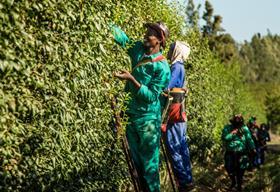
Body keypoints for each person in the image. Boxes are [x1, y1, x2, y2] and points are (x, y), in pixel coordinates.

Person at [112, 21, 171, 192]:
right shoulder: (137, 48)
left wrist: (132, 80)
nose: (145, 35)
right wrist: (105, 23)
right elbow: (123, 39)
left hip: (148, 122)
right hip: (131, 116)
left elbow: (152, 96)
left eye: (150, 33)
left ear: (159, 40)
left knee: (149, 168)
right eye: (146, 31)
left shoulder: (162, 67)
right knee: (137, 164)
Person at [163, 41, 194, 192]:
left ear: (177, 51)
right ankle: (188, 179)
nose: (169, 50)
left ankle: (183, 182)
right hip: (180, 112)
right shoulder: (181, 67)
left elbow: (166, 87)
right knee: (182, 146)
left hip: (175, 113)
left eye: (171, 48)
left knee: (174, 146)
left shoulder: (175, 67)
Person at [222, 114, 256, 191]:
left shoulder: (245, 129)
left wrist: (253, 148)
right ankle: (233, 181)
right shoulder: (227, 128)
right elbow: (225, 138)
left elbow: (249, 139)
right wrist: (232, 133)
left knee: (240, 170)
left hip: (242, 152)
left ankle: (239, 186)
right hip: (230, 152)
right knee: (228, 167)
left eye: (239, 121)